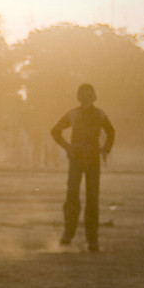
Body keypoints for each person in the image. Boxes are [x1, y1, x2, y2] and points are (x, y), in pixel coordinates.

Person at [50, 84, 115, 251]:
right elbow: (55, 131)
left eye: (89, 95)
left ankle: (92, 239)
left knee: (92, 199)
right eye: (83, 95)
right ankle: (68, 234)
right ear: (79, 98)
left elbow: (111, 132)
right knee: (72, 196)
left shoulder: (100, 115)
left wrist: (106, 149)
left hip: (93, 160)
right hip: (77, 160)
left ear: (94, 97)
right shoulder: (73, 114)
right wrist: (67, 147)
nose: (86, 98)